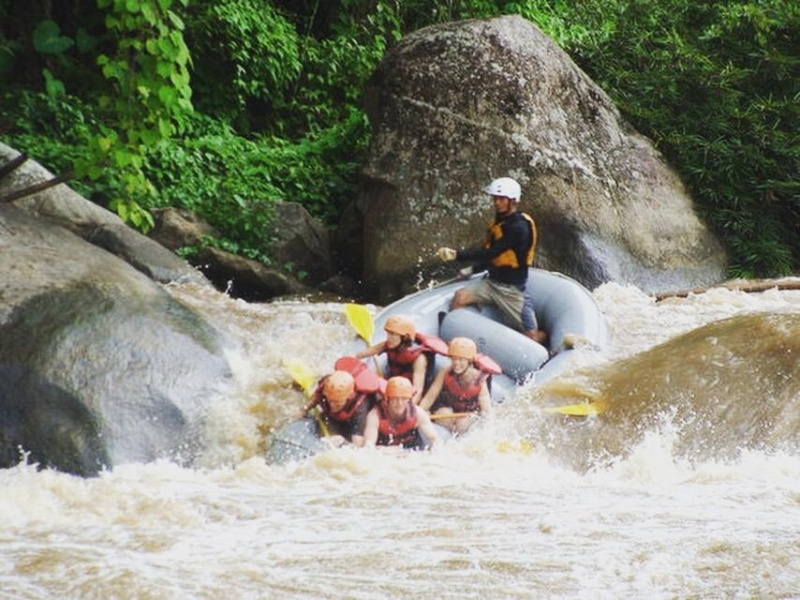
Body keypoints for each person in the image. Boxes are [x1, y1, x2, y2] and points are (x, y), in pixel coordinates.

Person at [436, 176, 547, 345]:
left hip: (511, 290)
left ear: (512, 201)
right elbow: (495, 258)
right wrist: (472, 270)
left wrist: (457, 255)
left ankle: (545, 338)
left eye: (501, 199)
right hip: (491, 283)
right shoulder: (500, 221)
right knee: (460, 297)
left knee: (532, 337)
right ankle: (454, 342)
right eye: (495, 198)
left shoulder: (519, 228)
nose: (496, 203)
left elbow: (491, 253)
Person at [355, 315, 446, 401]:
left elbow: (418, 390)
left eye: (393, 335)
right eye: (388, 334)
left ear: (405, 337)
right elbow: (369, 351)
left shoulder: (419, 359)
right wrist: (352, 357)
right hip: (395, 385)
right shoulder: (390, 344)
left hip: (409, 393)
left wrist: (408, 408)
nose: (389, 338)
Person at [419, 337, 493, 435]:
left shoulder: (479, 381)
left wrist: (488, 428)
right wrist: (419, 413)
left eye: (461, 360)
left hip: (470, 415)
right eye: (454, 359)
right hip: (452, 411)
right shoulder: (445, 372)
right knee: (444, 414)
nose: (456, 363)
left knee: (462, 424)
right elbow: (430, 397)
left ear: (469, 361)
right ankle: (445, 436)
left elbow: (487, 412)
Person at [298, 370, 376, 447]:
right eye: (330, 400)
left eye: (337, 402)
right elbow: (316, 397)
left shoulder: (359, 409)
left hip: (351, 423)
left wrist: (343, 441)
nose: (332, 406)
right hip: (336, 417)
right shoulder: (326, 388)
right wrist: (303, 410)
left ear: (348, 398)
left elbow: (358, 445)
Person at [362, 376, 441, 451]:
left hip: (412, 453)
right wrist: (387, 451)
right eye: (395, 398)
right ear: (387, 399)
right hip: (385, 453)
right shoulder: (375, 416)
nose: (399, 403)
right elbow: (369, 447)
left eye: (403, 398)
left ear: (409, 399)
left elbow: (435, 439)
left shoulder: (418, 414)